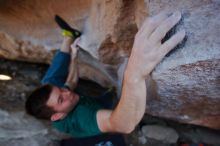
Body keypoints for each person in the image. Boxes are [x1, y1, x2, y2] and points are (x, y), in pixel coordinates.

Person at [25, 11, 185, 138]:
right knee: (113, 99)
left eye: (61, 90)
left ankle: (69, 37)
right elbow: (124, 125)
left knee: (50, 79)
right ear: (57, 116)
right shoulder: (81, 120)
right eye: (61, 99)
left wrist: (74, 57)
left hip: (76, 101)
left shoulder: (62, 96)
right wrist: (134, 73)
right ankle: (112, 93)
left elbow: (71, 83)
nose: (66, 92)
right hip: (101, 109)